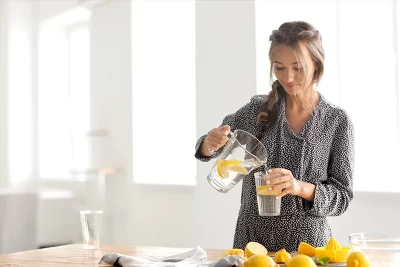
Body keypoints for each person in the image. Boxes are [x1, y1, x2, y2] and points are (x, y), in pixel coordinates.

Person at [194, 21, 354, 253]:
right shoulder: (256, 110)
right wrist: (210, 144)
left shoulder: (337, 121)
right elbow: (209, 148)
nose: (288, 77)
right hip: (251, 244)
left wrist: (298, 187)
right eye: (279, 67)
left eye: (298, 68)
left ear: (316, 66)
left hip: (308, 249)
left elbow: (342, 197)